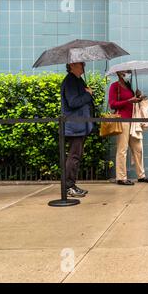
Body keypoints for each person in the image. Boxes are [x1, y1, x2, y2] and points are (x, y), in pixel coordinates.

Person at [108, 70, 148, 185]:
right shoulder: (114, 86)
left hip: (133, 120)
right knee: (122, 149)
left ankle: (141, 176)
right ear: (119, 74)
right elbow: (112, 104)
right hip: (122, 120)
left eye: (129, 72)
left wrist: (137, 96)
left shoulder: (129, 87)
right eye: (126, 72)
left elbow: (132, 103)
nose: (128, 74)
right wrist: (129, 100)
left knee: (138, 149)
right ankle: (121, 177)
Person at [61, 62, 94, 197]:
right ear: (72, 66)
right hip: (75, 125)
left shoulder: (77, 80)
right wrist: (88, 94)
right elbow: (73, 102)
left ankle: (71, 185)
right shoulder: (70, 81)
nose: (83, 67)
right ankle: (69, 187)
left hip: (79, 125)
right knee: (74, 155)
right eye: (81, 65)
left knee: (76, 155)